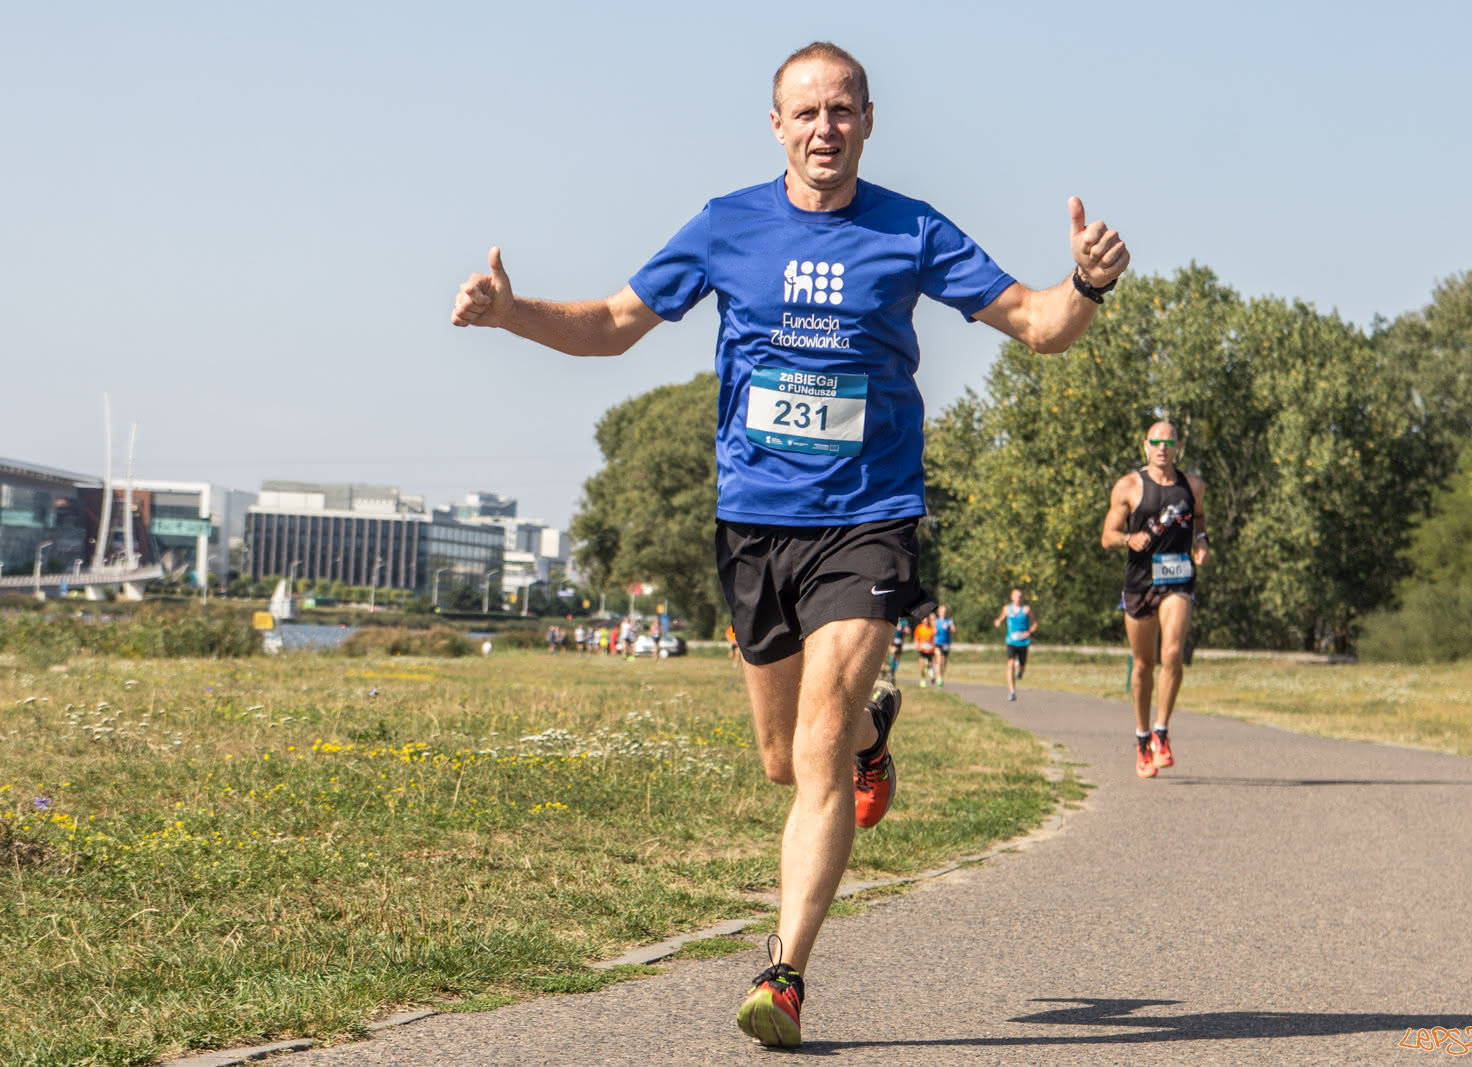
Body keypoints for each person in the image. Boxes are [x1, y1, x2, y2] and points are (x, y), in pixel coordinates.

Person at [451, 41, 1128, 1048]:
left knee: (813, 745)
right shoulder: (728, 225)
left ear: (867, 119)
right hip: (754, 523)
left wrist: (1084, 281)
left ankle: (785, 972)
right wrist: (512, 314)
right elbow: (612, 321)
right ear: (776, 126)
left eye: (842, 110)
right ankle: (872, 735)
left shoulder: (910, 228)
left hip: (869, 516)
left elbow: (1035, 321)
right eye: (805, 112)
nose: (824, 128)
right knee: (785, 757)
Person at [1101, 420, 1209, 778]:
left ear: (1178, 447)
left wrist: (1202, 542)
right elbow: (1107, 535)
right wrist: (1126, 540)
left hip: (1177, 579)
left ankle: (1162, 732)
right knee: (1143, 664)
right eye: (1156, 442)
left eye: (1169, 441)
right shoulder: (1129, 486)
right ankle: (1142, 737)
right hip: (1138, 582)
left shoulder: (1192, 486)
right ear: (1145, 446)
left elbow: (1200, 519)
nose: (1162, 447)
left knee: (1172, 653)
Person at [993, 588, 1036, 701]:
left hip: (1024, 642)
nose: (1018, 598)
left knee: (1022, 666)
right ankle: (1012, 692)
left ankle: (1020, 672)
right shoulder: (1007, 609)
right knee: (1010, 664)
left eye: (1020, 596)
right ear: (1012, 597)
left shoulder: (1026, 609)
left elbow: (1035, 623)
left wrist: (1029, 632)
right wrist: (998, 622)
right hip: (1011, 641)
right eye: (1016, 596)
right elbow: (1001, 618)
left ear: (1023, 598)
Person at [931, 604, 955, 687]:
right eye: (942, 611)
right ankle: (938, 677)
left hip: (946, 643)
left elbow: (953, 630)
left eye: (945, 612)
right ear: (939, 612)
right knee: (939, 659)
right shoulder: (936, 621)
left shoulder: (949, 621)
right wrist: (935, 630)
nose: (944, 613)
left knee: (944, 662)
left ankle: (940, 675)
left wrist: (949, 628)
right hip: (938, 643)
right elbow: (933, 632)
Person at [884, 614, 911, 685]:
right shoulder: (892, 617)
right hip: (891, 641)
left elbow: (908, 632)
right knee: (893, 654)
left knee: (897, 658)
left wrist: (903, 630)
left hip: (900, 642)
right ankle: (890, 671)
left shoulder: (904, 621)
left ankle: (892, 672)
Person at [912, 613, 937, 687]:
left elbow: (935, 639)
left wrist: (934, 647)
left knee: (930, 665)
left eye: (927, 619)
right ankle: (922, 680)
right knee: (922, 666)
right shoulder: (919, 628)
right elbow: (916, 639)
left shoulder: (931, 628)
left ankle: (932, 675)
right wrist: (917, 646)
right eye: (924, 619)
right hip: (922, 649)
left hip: (930, 650)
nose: (925, 621)